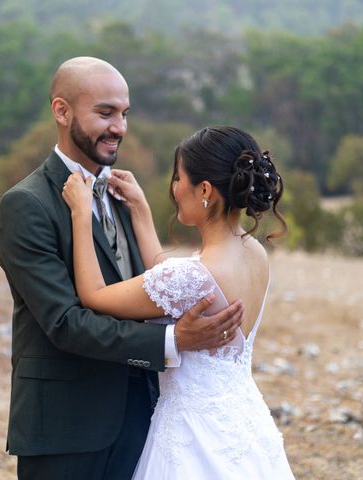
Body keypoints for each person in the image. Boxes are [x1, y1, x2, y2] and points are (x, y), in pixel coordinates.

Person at [0, 57, 244, 480]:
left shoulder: (123, 193)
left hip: (144, 420)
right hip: (66, 427)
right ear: (62, 111)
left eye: (125, 114)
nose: (120, 127)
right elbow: (65, 322)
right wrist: (171, 340)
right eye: (105, 113)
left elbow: (151, 286)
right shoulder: (27, 205)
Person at [61, 125, 296, 479]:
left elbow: (94, 295)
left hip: (193, 433)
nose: (174, 188)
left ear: (203, 190)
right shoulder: (255, 254)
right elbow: (169, 278)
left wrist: (81, 214)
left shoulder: (192, 275)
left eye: (177, 177)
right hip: (242, 422)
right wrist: (140, 209)